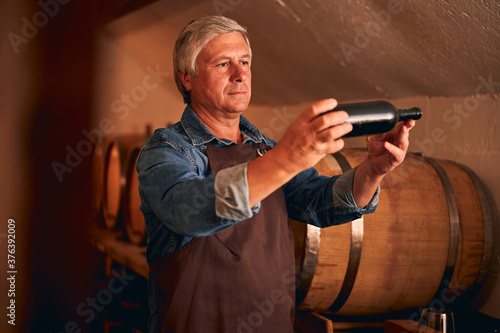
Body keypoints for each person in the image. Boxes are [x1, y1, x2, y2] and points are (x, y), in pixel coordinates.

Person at [137, 15, 415, 333]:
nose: (241, 75)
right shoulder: (167, 151)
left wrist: (373, 170)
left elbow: (320, 202)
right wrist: (286, 158)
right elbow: (187, 211)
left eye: (244, 61)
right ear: (187, 78)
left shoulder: (264, 149)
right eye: (223, 64)